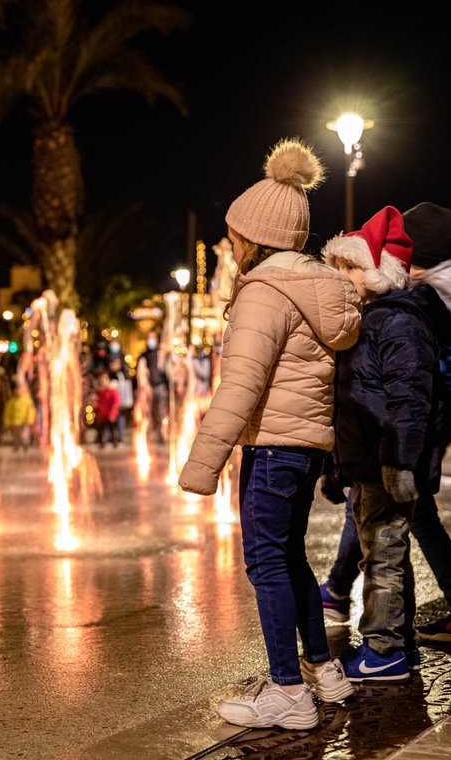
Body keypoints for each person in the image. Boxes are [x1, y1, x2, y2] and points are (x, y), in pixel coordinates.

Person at [178, 138, 361, 729]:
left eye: (234, 234)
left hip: (274, 447)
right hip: (302, 446)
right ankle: (321, 670)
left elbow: (240, 387)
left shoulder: (264, 292)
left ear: (255, 236)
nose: (229, 244)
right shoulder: (312, 285)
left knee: (266, 564)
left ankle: (287, 692)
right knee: (290, 558)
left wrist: (200, 464)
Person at [320, 202, 451, 646]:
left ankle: (389, 638)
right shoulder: (427, 299)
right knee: (385, 524)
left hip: (406, 435)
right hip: (397, 436)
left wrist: (407, 451)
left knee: (390, 534)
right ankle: (391, 620)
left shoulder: (412, 308)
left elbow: (415, 385)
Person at [322, 206, 449, 682]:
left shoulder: (397, 321)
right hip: (369, 461)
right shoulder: (371, 319)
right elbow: (353, 401)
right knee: (383, 550)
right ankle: (400, 641)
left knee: (383, 555)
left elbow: (410, 399)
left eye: (351, 267)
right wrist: (339, 469)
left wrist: (400, 461)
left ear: (380, 273)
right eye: (338, 266)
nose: (342, 276)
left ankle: (384, 647)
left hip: (387, 461)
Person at [1, 380, 37, 450]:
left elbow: (31, 411)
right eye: (17, 389)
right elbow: (8, 412)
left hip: (25, 422)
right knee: (16, 435)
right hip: (15, 422)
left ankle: (25, 446)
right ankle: (16, 446)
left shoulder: (27, 399)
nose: (18, 391)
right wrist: (7, 421)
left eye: (20, 389)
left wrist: (30, 420)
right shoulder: (12, 400)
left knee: (25, 435)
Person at [92, 370, 120, 448]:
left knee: (113, 429)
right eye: (102, 380)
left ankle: (115, 443)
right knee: (101, 430)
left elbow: (116, 403)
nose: (103, 381)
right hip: (102, 414)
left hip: (110, 414)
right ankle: (102, 443)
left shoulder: (112, 391)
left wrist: (113, 414)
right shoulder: (99, 391)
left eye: (105, 379)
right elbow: (97, 402)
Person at [109, 357, 133, 439]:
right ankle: (110, 437)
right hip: (110, 403)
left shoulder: (122, 374)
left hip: (120, 401)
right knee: (111, 419)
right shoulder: (109, 374)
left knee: (120, 417)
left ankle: (120, 436)